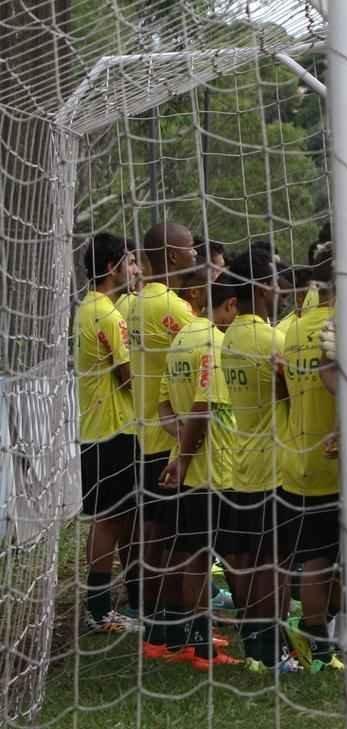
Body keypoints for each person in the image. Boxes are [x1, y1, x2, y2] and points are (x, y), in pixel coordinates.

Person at [116, 222, 198, 658]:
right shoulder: (174, 311)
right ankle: (173, 629)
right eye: (189, 248)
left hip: (141, 431)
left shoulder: (128, 303)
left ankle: (155, 625)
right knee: (176, 537)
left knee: (152, 531)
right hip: (170, 436)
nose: (195, 253)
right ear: (170, 255)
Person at [156, 271, 242, 670]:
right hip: (215, 468)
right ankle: (208, 645)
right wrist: (187, 456)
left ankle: (196, 639)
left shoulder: (179, 340)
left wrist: (179, 446)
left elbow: (164, 408)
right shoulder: (215, 343)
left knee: (193, 554)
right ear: (229, 305)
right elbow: (204, 409)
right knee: (227, 556)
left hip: (189, 468)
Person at [221, 247, 300, 672]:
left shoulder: (228, 335)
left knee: (251, 559)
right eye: (274, 279)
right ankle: (274, 648)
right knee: (276, 561)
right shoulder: (272, 340)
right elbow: (292, 396)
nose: (280, 287)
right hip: (273, 461)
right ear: (261, 286)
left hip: (240, 460)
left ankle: (255, 644)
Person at [277, 243, 346, 672]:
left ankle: (315, 643)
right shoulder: (342, 326)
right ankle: (322, 645)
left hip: (297, 454)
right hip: (336, 458)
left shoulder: (293, 329)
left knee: (314, 557)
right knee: (335, 560)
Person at [76, 233, 140, 633]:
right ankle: (99, 611)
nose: (135, 270)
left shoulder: (89, 307)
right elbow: (129, 376)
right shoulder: (108, 315)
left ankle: (132, 602)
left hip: (101, 428)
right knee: (110, 520)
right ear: (113, 266)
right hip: (112, 430)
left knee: (124, 517)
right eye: (131, 262)